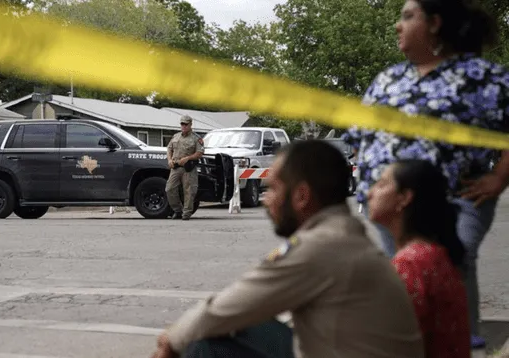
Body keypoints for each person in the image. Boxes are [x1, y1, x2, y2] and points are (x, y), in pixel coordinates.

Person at [151, 140, 424, 358]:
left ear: (301, 196)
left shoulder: (323, 246)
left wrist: (172, 339)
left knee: (204, 341)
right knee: (228, 327)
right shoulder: (341, 234)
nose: (266, 200)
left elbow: (224, 309)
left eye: (272, 189)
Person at [342, 0, 509, 345]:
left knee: (451, 262)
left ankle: (461, 343)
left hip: (457, 199)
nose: (397, 26)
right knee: (404, 274)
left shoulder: (485, 77)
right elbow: (358, 136)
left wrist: (500, 176)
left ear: (434, 22)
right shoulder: (388, 79)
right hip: (390, 203)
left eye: (407, 16)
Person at [367, 159, 470, 358]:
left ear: (404, 198)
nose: (370, 193)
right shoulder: (432, 255)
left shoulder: (411, 265)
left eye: (381, 185)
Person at [166, 115, 204, 221]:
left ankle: (186, 213)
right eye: (182, 124)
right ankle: (178, 210)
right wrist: (169, 160)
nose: (183, 126)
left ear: (190, 125)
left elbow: (199, 153)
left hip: (188, 168)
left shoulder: (196, 138)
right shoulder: (176, 136)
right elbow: (169, 149)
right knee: (169, 188)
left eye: (186, 124)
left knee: (189, 191)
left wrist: (188, 158)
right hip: (175, 167)